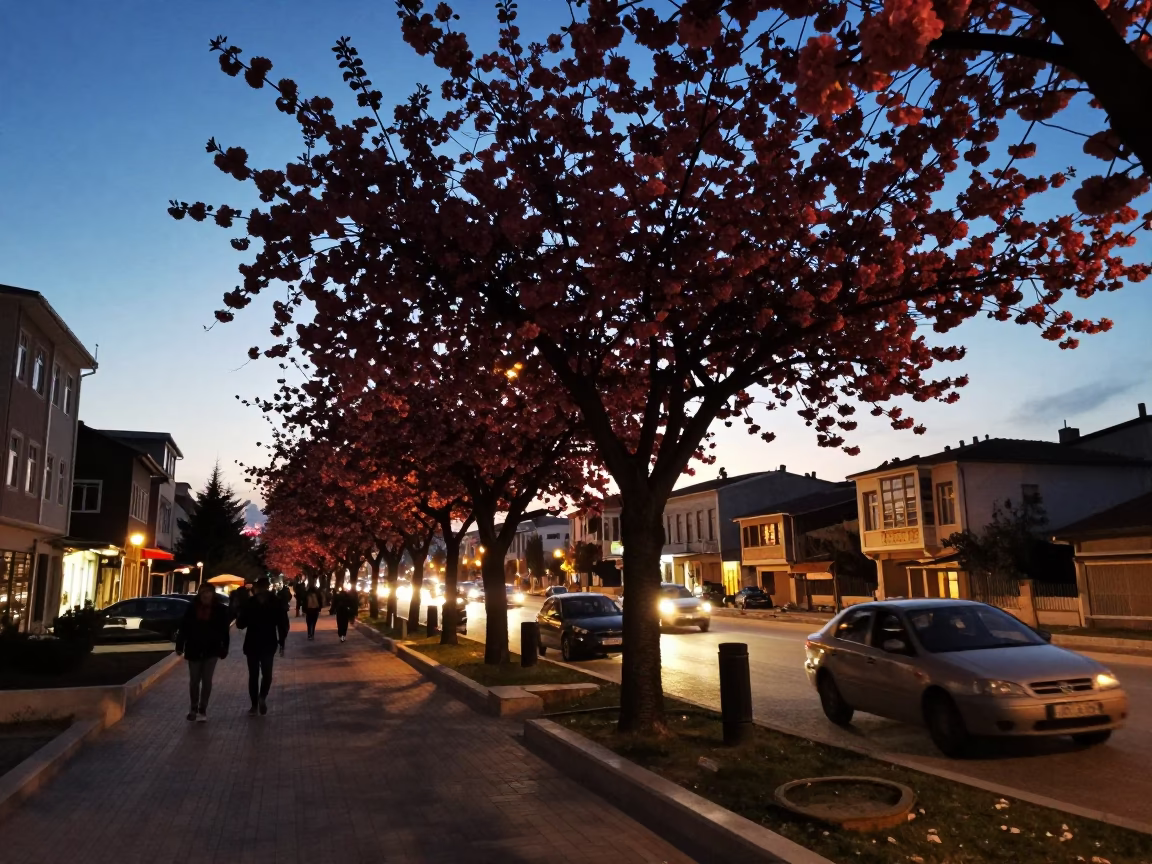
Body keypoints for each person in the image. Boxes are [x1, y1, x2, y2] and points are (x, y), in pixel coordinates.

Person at [175, 582, 230, 722]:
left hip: (212, 649)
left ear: (213, 594)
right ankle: (193, 706)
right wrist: (180, 645)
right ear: (200, 594)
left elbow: (224, 631)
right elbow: (184, 627)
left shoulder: (220, 609)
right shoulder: (192, 608)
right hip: (194, 648)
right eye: (203, 592)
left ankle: (203, 707)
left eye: (208, 592)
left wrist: (224, 647)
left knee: (207, 680)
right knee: (194, 680)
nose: (206, 595)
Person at [235, 577, 289, 716]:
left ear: (257, 588)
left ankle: (254, 705)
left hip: (253, 642)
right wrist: (282, 641)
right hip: (268, 642)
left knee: (253, 675)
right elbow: (283, 623)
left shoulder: (250, 603)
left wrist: (240, 613)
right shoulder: (276, 602)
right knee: (267, 674)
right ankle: (262, 697)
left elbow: (241, 624)